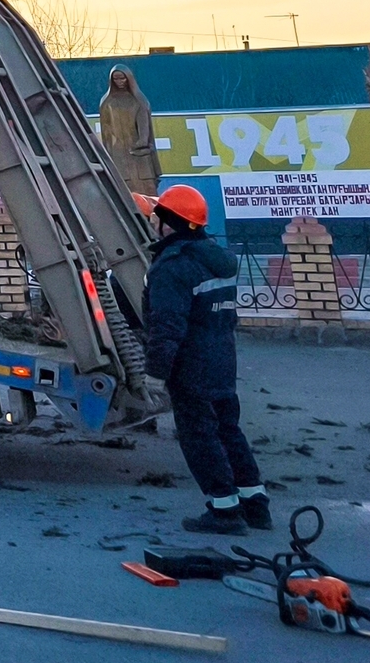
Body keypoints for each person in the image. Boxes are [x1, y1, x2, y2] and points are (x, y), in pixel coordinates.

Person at [143, 183, 270, 533]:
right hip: (222, 358)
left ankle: (224, 511)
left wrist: (155, 373)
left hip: (190, 366)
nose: (154, 225)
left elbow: (167, 326)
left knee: (199, 436)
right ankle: (255, 504)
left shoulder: (173, 267)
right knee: (228, 429)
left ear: (169, 223)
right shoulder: (215, 259)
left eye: (156, 219)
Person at [100, 64, 161, 195]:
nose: (119, 82)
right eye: (116, 79)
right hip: (118, 153)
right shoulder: (107, 102)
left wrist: (142, 142)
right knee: (124, 189)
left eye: (122, 78)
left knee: (147, 188)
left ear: (129, 78)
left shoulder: (139, 100)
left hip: (139, 152)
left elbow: (144, 126)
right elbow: (106, 132)